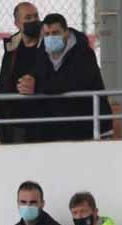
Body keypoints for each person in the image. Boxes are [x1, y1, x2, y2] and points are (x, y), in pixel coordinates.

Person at [21, 14, 112, 142]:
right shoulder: (42, 53)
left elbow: (71, 83)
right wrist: (26, 82)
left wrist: (36, 87)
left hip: (91, 128)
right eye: (47, 34)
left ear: (66, 33)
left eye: (55, 33)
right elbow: (36, 76)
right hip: (61, 129)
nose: (51, 37)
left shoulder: (84, 53)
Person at [0, 2, 44, 144]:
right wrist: (0, 114)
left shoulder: (48, 44)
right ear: (17, 23)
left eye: (36, 16)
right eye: (28, 18)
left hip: (43, 120)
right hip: (15, 122)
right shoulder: (12, 47)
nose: (34, 21)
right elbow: (3, 82)